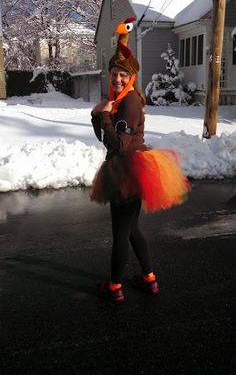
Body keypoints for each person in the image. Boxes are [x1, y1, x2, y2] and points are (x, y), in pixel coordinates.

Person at [90, 17, 191, 303]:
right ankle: (149, 279)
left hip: (127, 170)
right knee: (131, 229)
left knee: (120, 232)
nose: (117, 78)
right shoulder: (120, 99)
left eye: (123, 74)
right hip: (127, 168)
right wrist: (98, 114)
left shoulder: (131, 100)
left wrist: (103, 115)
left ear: (131, 77)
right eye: (114, 73)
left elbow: (118, 145)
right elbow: (104, 137)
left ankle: (114, 287)